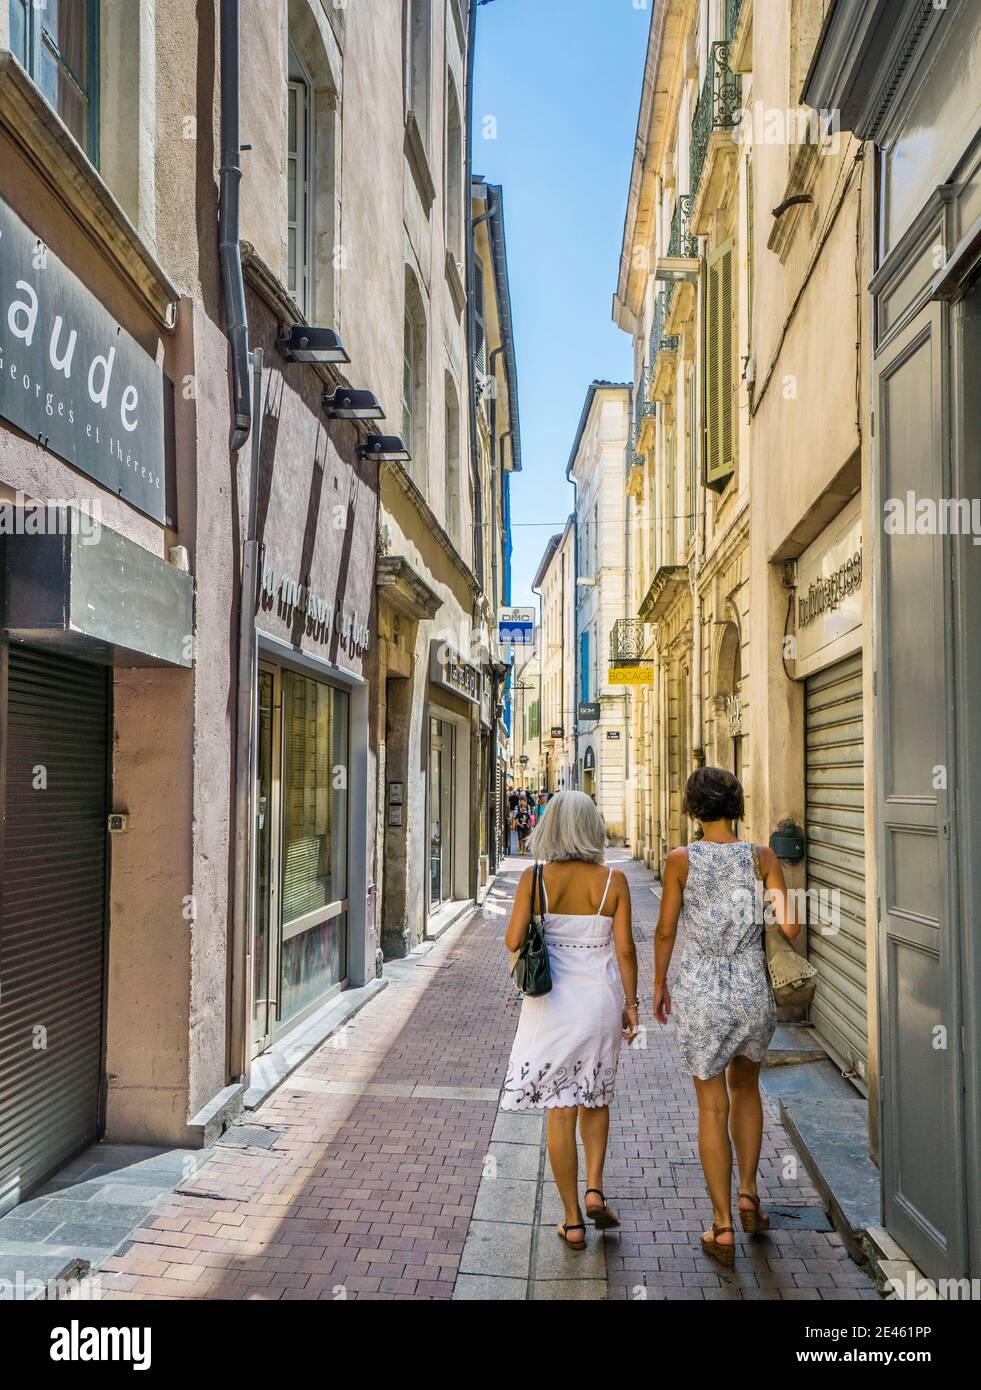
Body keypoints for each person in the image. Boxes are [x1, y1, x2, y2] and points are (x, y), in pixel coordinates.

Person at [653, 766, 800, 1266]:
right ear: (736, 806)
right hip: (752, 992)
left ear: (694, 809)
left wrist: (657, 985)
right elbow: (792, 927)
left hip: (701, 994)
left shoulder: (680, 860)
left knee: (712, 1108)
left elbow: (666, 932)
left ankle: (721, 1227)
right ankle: (748, 1193)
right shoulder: (761, 856)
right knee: (747, 1092)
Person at [502, 790, 639, 1250]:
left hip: (552, 1006)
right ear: (592, 828)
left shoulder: (533, 878)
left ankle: (572, 1220)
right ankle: (595, 1187)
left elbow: (512, 939)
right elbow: (624, 950)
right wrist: (632, 1004)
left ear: (552, 826)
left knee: (559, 1110)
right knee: (596, 1099)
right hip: (599, 1001)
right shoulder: (613, 881)